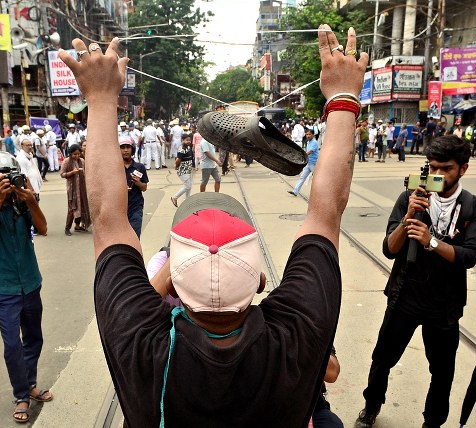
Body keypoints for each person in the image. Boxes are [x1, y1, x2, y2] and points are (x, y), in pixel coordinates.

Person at [59, 25, 365, 425]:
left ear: (173, 288)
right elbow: (326, 212)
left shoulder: (142, 344)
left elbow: (106, 219)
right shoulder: (294, 336)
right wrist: (343, 98)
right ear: (259, 279)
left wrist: (99, 99)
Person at [355, 135, 476, 428]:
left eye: (446, 169)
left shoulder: (475, 207)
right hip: (405, 294)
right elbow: (389, 249)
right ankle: (371, 405)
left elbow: (469, 257)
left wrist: (431, 242)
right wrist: (408, 217)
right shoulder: (410, 198)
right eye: (433, 167)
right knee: (382, 358)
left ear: (463, 169)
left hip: (445, 304)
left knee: (442, 371)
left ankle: (433, 422)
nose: (438, 175)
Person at [0, 151, 51, 423]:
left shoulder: (22, 201)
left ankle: (29, 384)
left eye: (8, 174)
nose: (3, 179)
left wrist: (31, 201)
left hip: (30, 282)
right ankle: (21, 395)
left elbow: (42, 229)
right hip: (4, 286)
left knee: (33, 338)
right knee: (12, 345)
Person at [120, 137, 149, 238]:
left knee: (135, 237)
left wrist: (138, 182)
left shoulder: (139, 167)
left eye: (128, 147)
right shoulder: (115, 168)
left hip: (136, 207)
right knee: (122, 238)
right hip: (119, 209)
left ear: (132, 149)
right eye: (122, 148)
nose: (125, 150)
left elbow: (144, 188)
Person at [60, 145, 91, 236]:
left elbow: (87, 173)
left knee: (81, 206)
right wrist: (72, 172)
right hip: (72, 189)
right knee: (72, 208)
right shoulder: (66, 161)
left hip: (82, 188)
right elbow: (62, 174)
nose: (77, 156)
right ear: (70, 154)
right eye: (74, 154)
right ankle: (67, 228)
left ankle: (77, 226)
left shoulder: (82, 161)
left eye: (78, 154)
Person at [289, 128, 319, 197]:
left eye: (309, 134)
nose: (308, 136)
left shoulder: (314, 142)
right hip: (308, 162)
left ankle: (320, 193)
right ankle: (295, 191)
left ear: (313, 135)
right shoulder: (308, 142)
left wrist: (302, 156)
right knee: (302, 177)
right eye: (307, 134)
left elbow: (309, 152)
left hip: (314, 163)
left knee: (317, 178)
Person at [170, 133, 195, 207]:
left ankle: (186, 202)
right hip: (183, 171)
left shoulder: (188, 147)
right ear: (182, 140)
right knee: (187, 186)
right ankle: (175, 197)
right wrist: (176, 166)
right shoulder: (182, 149)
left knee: (189, 186)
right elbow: (178, 160)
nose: (188, 141)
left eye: (189, 140)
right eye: (187, 140)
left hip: (189, 170)